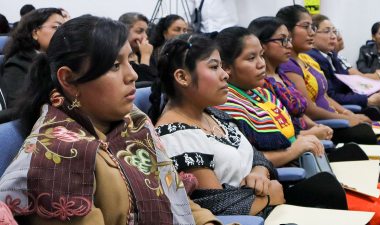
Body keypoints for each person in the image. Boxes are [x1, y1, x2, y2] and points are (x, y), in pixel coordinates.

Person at [0, 15, 221, 225]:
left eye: (129, 60)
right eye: (115, 65)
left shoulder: (134, 122)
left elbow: (173, 194)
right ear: (68, 79)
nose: (133, 75)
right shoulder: (58, 157)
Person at [150, 33, 354, 218]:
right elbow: (216, 207)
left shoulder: (212, 114)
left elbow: (256, 155)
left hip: (265, 205)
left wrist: (258, 172)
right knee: (327, 191)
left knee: (329, 185)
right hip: (252, 217)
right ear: (182, 77)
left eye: (222, 66)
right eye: (214, 67)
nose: (224, 75)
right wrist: (267, 196)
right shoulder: (176, 135)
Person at [276, 5, 380, 224]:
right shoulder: (285, 71)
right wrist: (345, 118)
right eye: (307, 27)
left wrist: (343, 114)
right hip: (320, 139)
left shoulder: (307, 60)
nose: (312, 32)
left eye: (314, 27)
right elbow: (309, 108)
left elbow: (324, 97)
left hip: (323, 130)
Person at [247, 16, 333, 141]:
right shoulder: (260, 83)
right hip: (295, 144)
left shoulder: (281, 75)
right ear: (262, 45)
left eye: (289, 39)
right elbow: (277, 132)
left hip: (308, 137)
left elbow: (300, 114)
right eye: (282, 40)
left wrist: (315, 126)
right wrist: (312, 134)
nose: (289, 45)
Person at [306, 14, 380, 119]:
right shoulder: (314, 59)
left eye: (334, 31)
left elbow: (350, 84)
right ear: (312, 34)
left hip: (357, 99)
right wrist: (367, 100)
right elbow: (331, 97)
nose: (334, 36)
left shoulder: (332, 56)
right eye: (327, 31)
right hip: (347, 109)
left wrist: (377, 91)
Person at [1, 8, 64, 108]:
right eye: (56, 27)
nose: (63, 33)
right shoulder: (18, 63)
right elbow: (18, 108)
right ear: (35, 33)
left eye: (64, 28)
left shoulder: (62, 59)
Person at [119, 12, 157, 82]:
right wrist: (145, 57)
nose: (145, 36)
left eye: (146, 32)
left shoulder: (145, 51)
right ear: (124, 31)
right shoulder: (117, 57)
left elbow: (154, 83)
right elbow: (143, 85)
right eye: (139, 31)